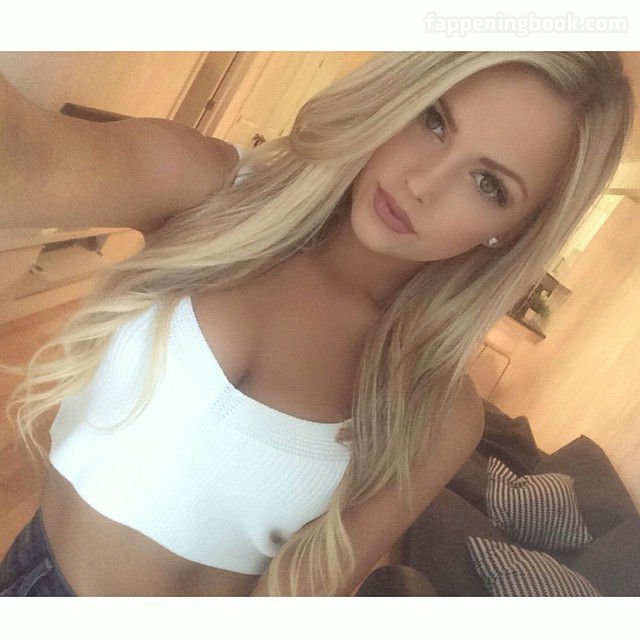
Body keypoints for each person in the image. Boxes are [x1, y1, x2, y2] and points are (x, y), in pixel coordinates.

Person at [0, 52, 633, 597]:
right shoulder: (214, 189)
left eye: (487, 183)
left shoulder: (437, 411)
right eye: (434, 119)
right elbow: (27, 160)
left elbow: (301, 595)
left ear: (512, 232)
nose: (421, 183)